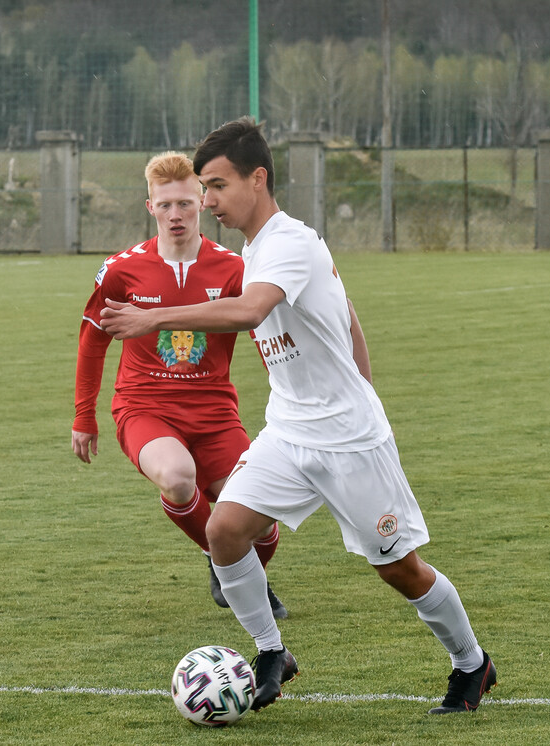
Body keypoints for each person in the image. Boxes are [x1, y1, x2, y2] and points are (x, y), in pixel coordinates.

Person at [100, 120, 496, 714]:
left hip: (349, 443)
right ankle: (270, 652)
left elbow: (250, 310)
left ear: (257, 179)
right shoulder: (258, 248)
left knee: (401, 570)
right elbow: (347, 310)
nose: (207, 202)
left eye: (215, 186)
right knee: (225, 531)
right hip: (288, 432)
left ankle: (472, 664)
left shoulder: (287, 242)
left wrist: (154, 319)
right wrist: (358, 375)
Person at [71, 150, 286, 618]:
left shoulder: (234, 269)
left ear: (203, 202)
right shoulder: (122, 269)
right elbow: (92, 342)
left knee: (261, 517)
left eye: (185, 203)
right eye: (164, 205)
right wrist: (84, 416)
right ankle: (225, 561)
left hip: (215, 413)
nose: (175, 215)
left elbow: (264, 338)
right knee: (177, 476)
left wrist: (289, 395)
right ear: (150, 208)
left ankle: (241, 572)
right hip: (144, 408)